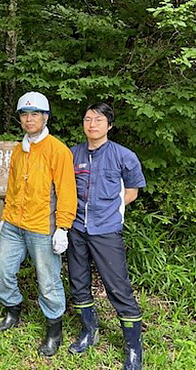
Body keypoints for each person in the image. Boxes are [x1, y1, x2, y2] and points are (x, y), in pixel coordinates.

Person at [0, 91, 77, 356]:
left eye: (35, 114)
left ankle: (54, 331)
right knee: (1, 271)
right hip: (14, 225)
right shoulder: (19, 150)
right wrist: (5, 217)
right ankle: (12, 310)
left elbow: (66, 191)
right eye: (25, 114)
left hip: (42, 227)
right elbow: (13, 187)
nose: (29, 119)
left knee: (48, 281)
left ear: (45, 117)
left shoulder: (58, 151)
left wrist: (62, 227)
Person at [68, 103, 146, 370]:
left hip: (107, 230)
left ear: (109, 125)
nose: (92, 124)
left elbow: (132, 191)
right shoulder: (72, 154)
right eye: (88, 119)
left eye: (99, 120)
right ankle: (89, 331)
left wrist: (110, 210)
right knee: (78, 282)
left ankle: (134, 348)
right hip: (76, 228)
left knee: (118, 287)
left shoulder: (123, 156)